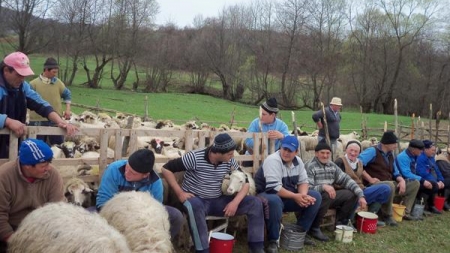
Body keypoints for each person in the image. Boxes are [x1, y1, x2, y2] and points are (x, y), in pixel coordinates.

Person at [162, 133, 265, 253]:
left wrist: (235, 203)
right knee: (193, 205)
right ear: (218, 152)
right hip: (196, 199)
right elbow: (166, 169)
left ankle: (257, 248)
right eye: (229, 154)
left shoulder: (230, 161)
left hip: (218, 200)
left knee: (255, 203)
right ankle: (202, 250)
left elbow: (246, 182)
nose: (232, 157)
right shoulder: (194, 157)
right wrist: (180, 193)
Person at [0, 52, 77, 158]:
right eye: (19, 75)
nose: (22, 79)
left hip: (11, 141)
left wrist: (60, 121)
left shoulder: (22, 87)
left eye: (24, 75)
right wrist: (7, 121)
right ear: (6, 70)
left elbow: (40, 104)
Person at [96, 149, 183, 239]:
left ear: (145, 175)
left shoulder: (155, 182)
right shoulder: (114, 169)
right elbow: (102, 202)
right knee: (88, 216)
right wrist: (122, 216)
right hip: (114, 215)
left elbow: (156, 209)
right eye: (127, 167)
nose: (127, 173)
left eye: (132, 173)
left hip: (142, 218)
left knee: (176, 216)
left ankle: (158, 245)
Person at [254, 135, 321, 253]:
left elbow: (303, 181)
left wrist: (303, 195)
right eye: (284, 149)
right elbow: (274, 188)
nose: (286, 153)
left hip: (286, 195)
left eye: (290, 150)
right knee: (274, 201)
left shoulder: (298, 161)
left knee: (315, 197)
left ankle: (300, 233)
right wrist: (296, 196)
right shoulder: (273, 160)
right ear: (280, 148)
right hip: (265, 195)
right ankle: (273, 240)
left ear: (296, 151)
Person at [0, 139, 64, 253]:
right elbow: (0, 215)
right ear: (28, 166)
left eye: (49, 163)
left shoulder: (53, 176)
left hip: (43, 230)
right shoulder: (4, 176)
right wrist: (15, 242)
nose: (48, 168)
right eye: (44, 165)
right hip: (12, 230)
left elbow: (58, 210)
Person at [305, 142, 366, 242]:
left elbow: (347, 180)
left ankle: (340, 222)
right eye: (322, 153)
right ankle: (314, 228)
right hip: (313, 198)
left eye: (327, 153)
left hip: (328, 197)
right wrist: (323, 187)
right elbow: (306, 188)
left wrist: (361, 196)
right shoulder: (310, 166)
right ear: (316, 153)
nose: (325, 155)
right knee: (326, 194)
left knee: (352, 194)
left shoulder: (332, 166)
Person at [359, 131, 420, 224]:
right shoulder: (372, 151)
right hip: (374, 185)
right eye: (394, 143)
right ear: (386, 143)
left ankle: (405, 213)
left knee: (415, 183)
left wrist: (401, 180)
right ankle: (387, 215)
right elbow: (358, 164)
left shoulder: (391, 154)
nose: (396, 146)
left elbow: (395, 171)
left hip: (389, 183)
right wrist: (370, 179)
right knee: (390, 185)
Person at [334, 140, 391, 227]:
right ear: (346, 150)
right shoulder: (340, 161)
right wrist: (356, 191)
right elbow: (336, 182)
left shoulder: (359, 162)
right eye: (351, 150)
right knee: (353, 196)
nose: (353, 153)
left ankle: (370, 216)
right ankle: (349, 221)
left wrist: (370, 180)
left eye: (356, 151)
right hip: (348, 192)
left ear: (359, 153)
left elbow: (360, 177)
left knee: (385, 188)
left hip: (361, 190)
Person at [28, 57, 72, 145]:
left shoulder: (58, 83)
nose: (55, 74)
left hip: (56, 121)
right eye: (53, 72)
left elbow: (67, 94)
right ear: (46, 70)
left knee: (58, 147)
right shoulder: (33, 84)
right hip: (37, 122)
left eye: (56, 72)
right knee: (37, 147)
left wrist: (68, 109)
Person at [396, 139, 438, 215]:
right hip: (405, 180)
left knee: (433, 185)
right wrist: (422, 180)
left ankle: (420, 207)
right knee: (421, 184)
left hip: (414, 179)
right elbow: (406, 173)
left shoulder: (415, 156)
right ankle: (413, 209)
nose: (422, 151)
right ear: (413, 150)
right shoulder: (403, 157)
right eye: (420, 150)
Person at [416, 140, 450, 212]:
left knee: (448, 182)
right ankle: (429, 205)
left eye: (434, 150)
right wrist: (436, 182)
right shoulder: (421, 159)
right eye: (432, 150)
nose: (434, 152)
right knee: (433, 184)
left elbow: (437, 171)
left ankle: (444, 203)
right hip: (424, 180)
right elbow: (423, 173)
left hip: (435, 180)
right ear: (426, 149)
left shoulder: (431, 158)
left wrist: (441, 180)